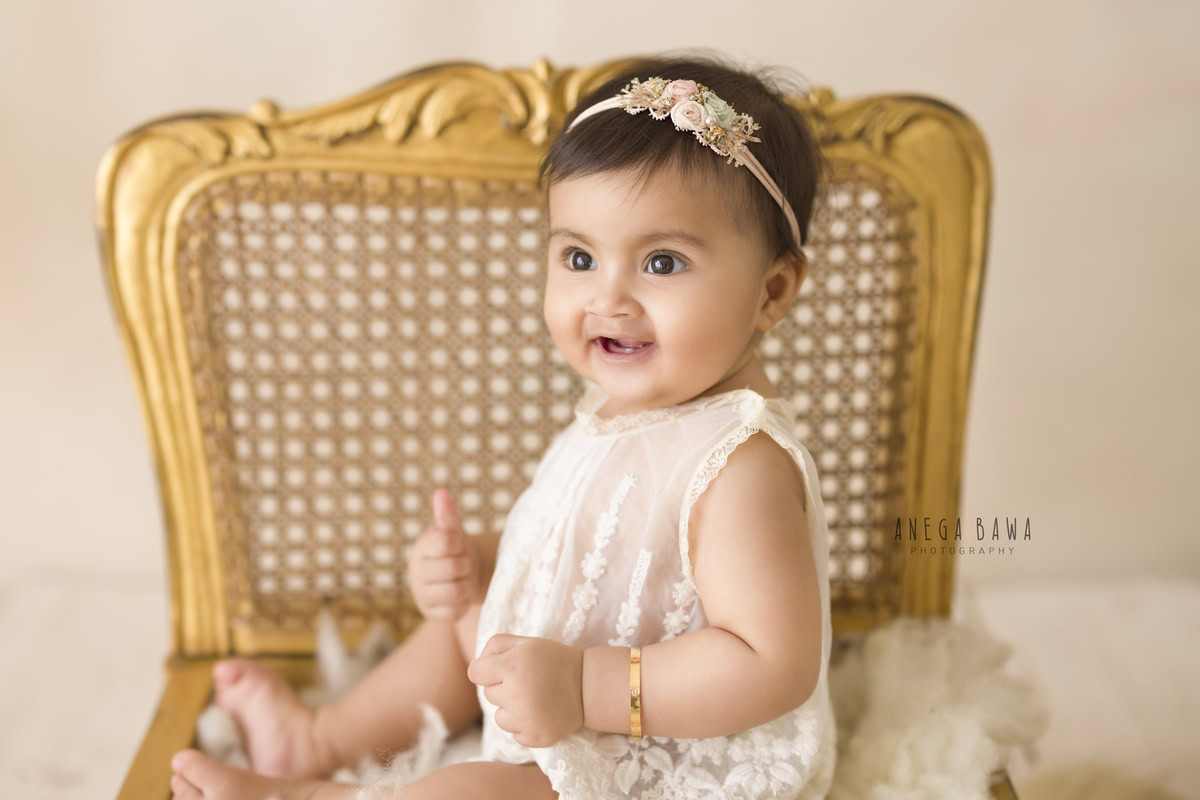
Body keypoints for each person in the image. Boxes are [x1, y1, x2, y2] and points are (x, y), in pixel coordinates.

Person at [168, 51, 836, 800]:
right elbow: (586, 556)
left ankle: (329, 797)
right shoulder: (619, 413)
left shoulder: (740, 462)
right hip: (564, 690)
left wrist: (586, 687)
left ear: (772, 291)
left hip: (676, 749)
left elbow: (771, 663)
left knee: (483, 792)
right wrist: (483, 563)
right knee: (462, 629)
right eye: (579, 256)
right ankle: (319, 740)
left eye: (663, 263)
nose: (607, 298)